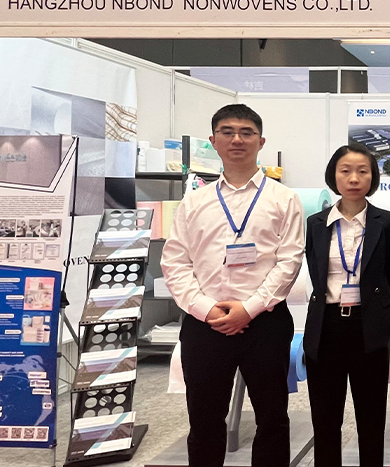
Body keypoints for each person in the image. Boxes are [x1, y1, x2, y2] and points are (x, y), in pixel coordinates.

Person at [161, 104, 305, 467]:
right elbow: (175, 262)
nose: (237, 139)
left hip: (265, 323)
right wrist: (207, 309)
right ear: (213, 141)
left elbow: (289, 262)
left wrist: (249, 309)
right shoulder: (194, 201)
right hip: (205, 324)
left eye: (246, 132)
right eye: (227, 132)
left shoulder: (284, 199)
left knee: (272, 418)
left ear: (261, 141)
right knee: (204, 420)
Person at [303, 144, 390, 467]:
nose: (354, 178)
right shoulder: (316, 223)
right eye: (345, 171)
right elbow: (315, 272)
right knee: (325, 421)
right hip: (325, 328)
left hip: (368, 327)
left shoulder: (386, 222)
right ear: (333, 175)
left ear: (373, 177)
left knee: (371, 420)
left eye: (362, 171)